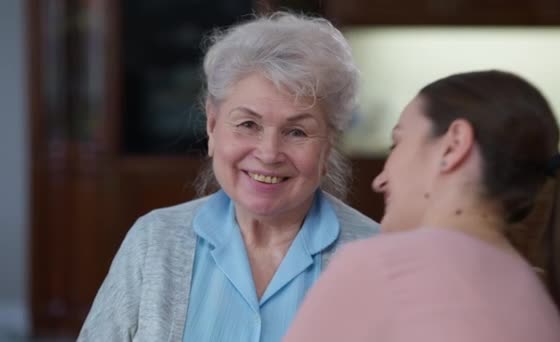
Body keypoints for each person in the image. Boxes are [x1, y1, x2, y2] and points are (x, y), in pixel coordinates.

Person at [78, 12, 379, 341]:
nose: (268, 153)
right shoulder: (153, 242)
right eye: (248, 124)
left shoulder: (378, 256)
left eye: (297, 131)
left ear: (330, 144)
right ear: (212, 125)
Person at [284, 70, 560, 342]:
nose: (380, 180)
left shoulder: (380, 266)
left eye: (397, 143)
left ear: (453, 146)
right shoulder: (533, 292)